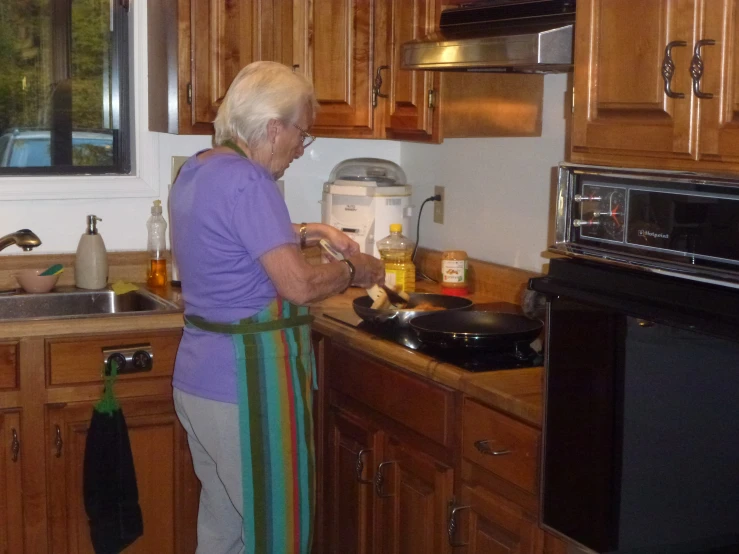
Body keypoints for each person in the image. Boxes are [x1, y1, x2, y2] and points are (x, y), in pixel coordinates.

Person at [169, 61, 385, 554]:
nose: (299, 149)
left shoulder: (200, 168)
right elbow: (301, 285)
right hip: (245, 388)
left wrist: (311, 230)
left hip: (200, 382)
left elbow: (234, 233)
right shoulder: (249, 181)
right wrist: (357, 272)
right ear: (273, 126)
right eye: (301, 134)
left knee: (224, 528)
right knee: (273, 533)